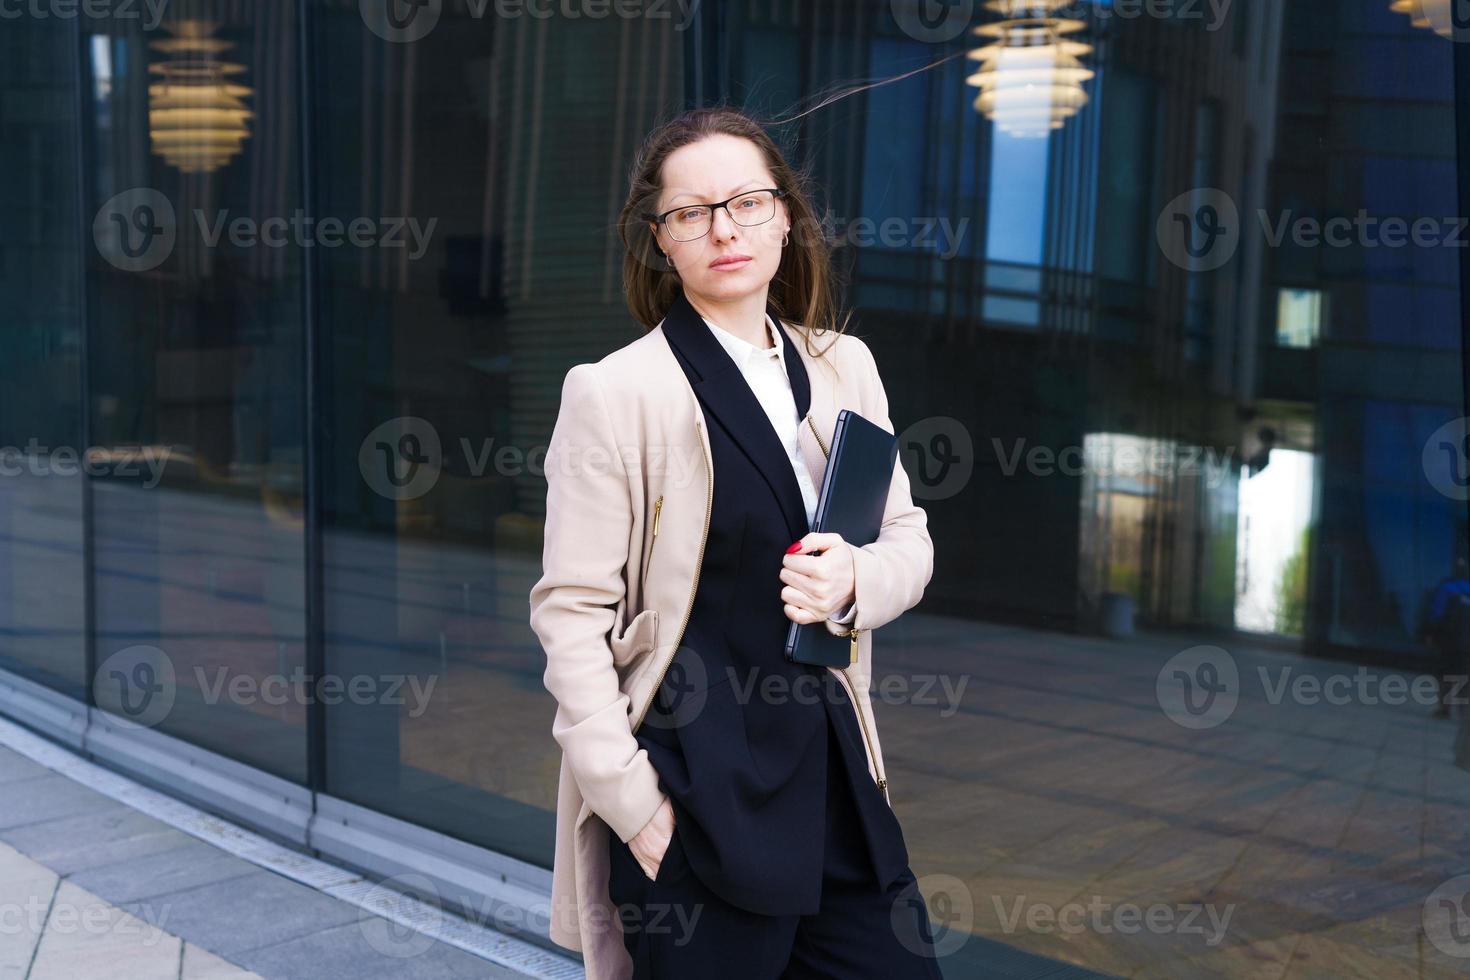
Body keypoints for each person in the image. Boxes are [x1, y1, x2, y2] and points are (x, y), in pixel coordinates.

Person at [528, 107, 942, 979]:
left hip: (835, 783)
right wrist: (637, 809)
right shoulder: (617, 393)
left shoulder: (844, 366)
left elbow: (910, 536)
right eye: (692, 213)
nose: (725, 229)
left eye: (748, 201)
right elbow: (571, 617)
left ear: (785, 217)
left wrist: (857, 579)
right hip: (696, 795)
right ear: (661, 242)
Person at [1419, 557, 1470, 719]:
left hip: (1449, 641)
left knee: (1445, 674)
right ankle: (1465, 713)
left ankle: (1444, 709)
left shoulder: (1446, 588)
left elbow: (1436, 614)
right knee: (1465, 676)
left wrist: (1430, 634)